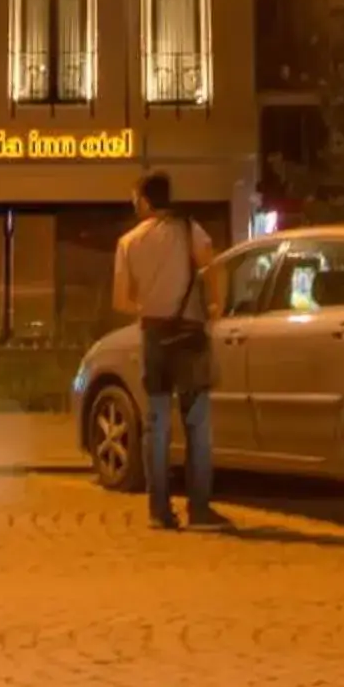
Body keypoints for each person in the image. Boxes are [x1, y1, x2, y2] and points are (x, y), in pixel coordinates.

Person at [111, 170, 224, 530]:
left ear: (144, 201)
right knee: (197, 423)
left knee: (156, 424)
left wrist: (149, 306)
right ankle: (201, 510)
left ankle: (159, 511)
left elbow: (121, 301)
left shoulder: (129, 242)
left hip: (155, 336)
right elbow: (211, 267)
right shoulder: (190, 229)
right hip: (191, 334)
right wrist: (214, 307)